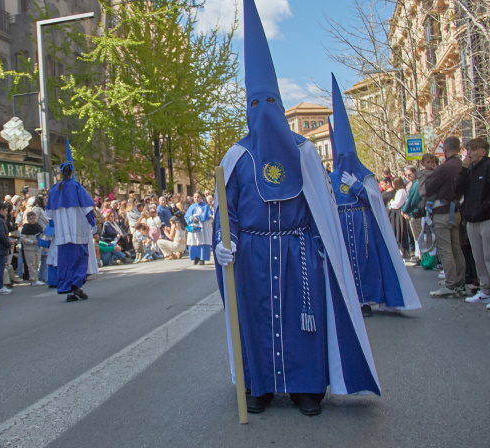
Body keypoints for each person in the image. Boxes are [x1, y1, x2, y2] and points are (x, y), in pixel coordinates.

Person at [213, 0, 379, 417]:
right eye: (257, 104)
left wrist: (324, 247)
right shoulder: (235, 158)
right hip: (250, 254)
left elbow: (322, 206)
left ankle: (307, 387)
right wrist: (222, 243)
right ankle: (260, 386)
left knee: (303, 319)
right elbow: (226, 211)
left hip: (299, 250)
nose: (264, 112)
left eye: (271, 101)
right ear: (248, 109)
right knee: (255, 319)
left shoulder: (305, 153)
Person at [328, 78, 420, 318]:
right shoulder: (329, 176)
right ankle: (352, 301)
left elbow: (375, 200)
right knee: (346, 262)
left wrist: (358, 186)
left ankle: (370, 298)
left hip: (363, 224)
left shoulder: (365, 173)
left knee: (367, 261)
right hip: (341, 223)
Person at [455, 138, 490, 310]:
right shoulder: (469, 169)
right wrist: (462, 169)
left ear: (483, 151)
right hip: (472, 220)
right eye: (468, 149)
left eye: (473, 149)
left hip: (487, 218)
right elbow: (456, 190)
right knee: (479, 257)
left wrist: (484, 209)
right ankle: (486, 290)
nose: (469, 152)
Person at [45, 160, 98, 302]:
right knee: (79, 260)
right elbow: (88, 209)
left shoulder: (54, 189)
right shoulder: (76, 187)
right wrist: (93, 224)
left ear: (60, 173)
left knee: (65, 262)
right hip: (78, 230)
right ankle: (75, 287)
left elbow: (49, 215)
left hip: (62, 233)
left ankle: (70, 290)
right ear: (73, 172)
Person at [424, 136, 466, 297]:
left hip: (442, 211)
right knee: (457, 248)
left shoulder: (445, 167)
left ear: (445, 150)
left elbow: (429, 187)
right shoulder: (461, 165)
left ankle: (450, 284)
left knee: (445, 249)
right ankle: (459, 282)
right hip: (456, 210)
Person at [185, 191, 213, 265]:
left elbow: (207, 215)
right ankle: (196, 257)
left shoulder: (205, 206)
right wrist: (190, 218)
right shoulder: (191, 207)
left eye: (198, 197)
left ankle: (202, 258)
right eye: (195, 197)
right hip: (194, 227)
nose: (196, 199)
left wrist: (198, 217)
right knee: (194, 241)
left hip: (203, 227)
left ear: (201, 198)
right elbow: (187, 216)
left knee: (202, 241)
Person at [388, 177, 411, 258]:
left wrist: (392, 202)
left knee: (400, 231)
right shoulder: (399, 191)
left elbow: (398, 204)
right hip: (396, 213)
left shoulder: (401, 191)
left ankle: (404, 251)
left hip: (398, 214)